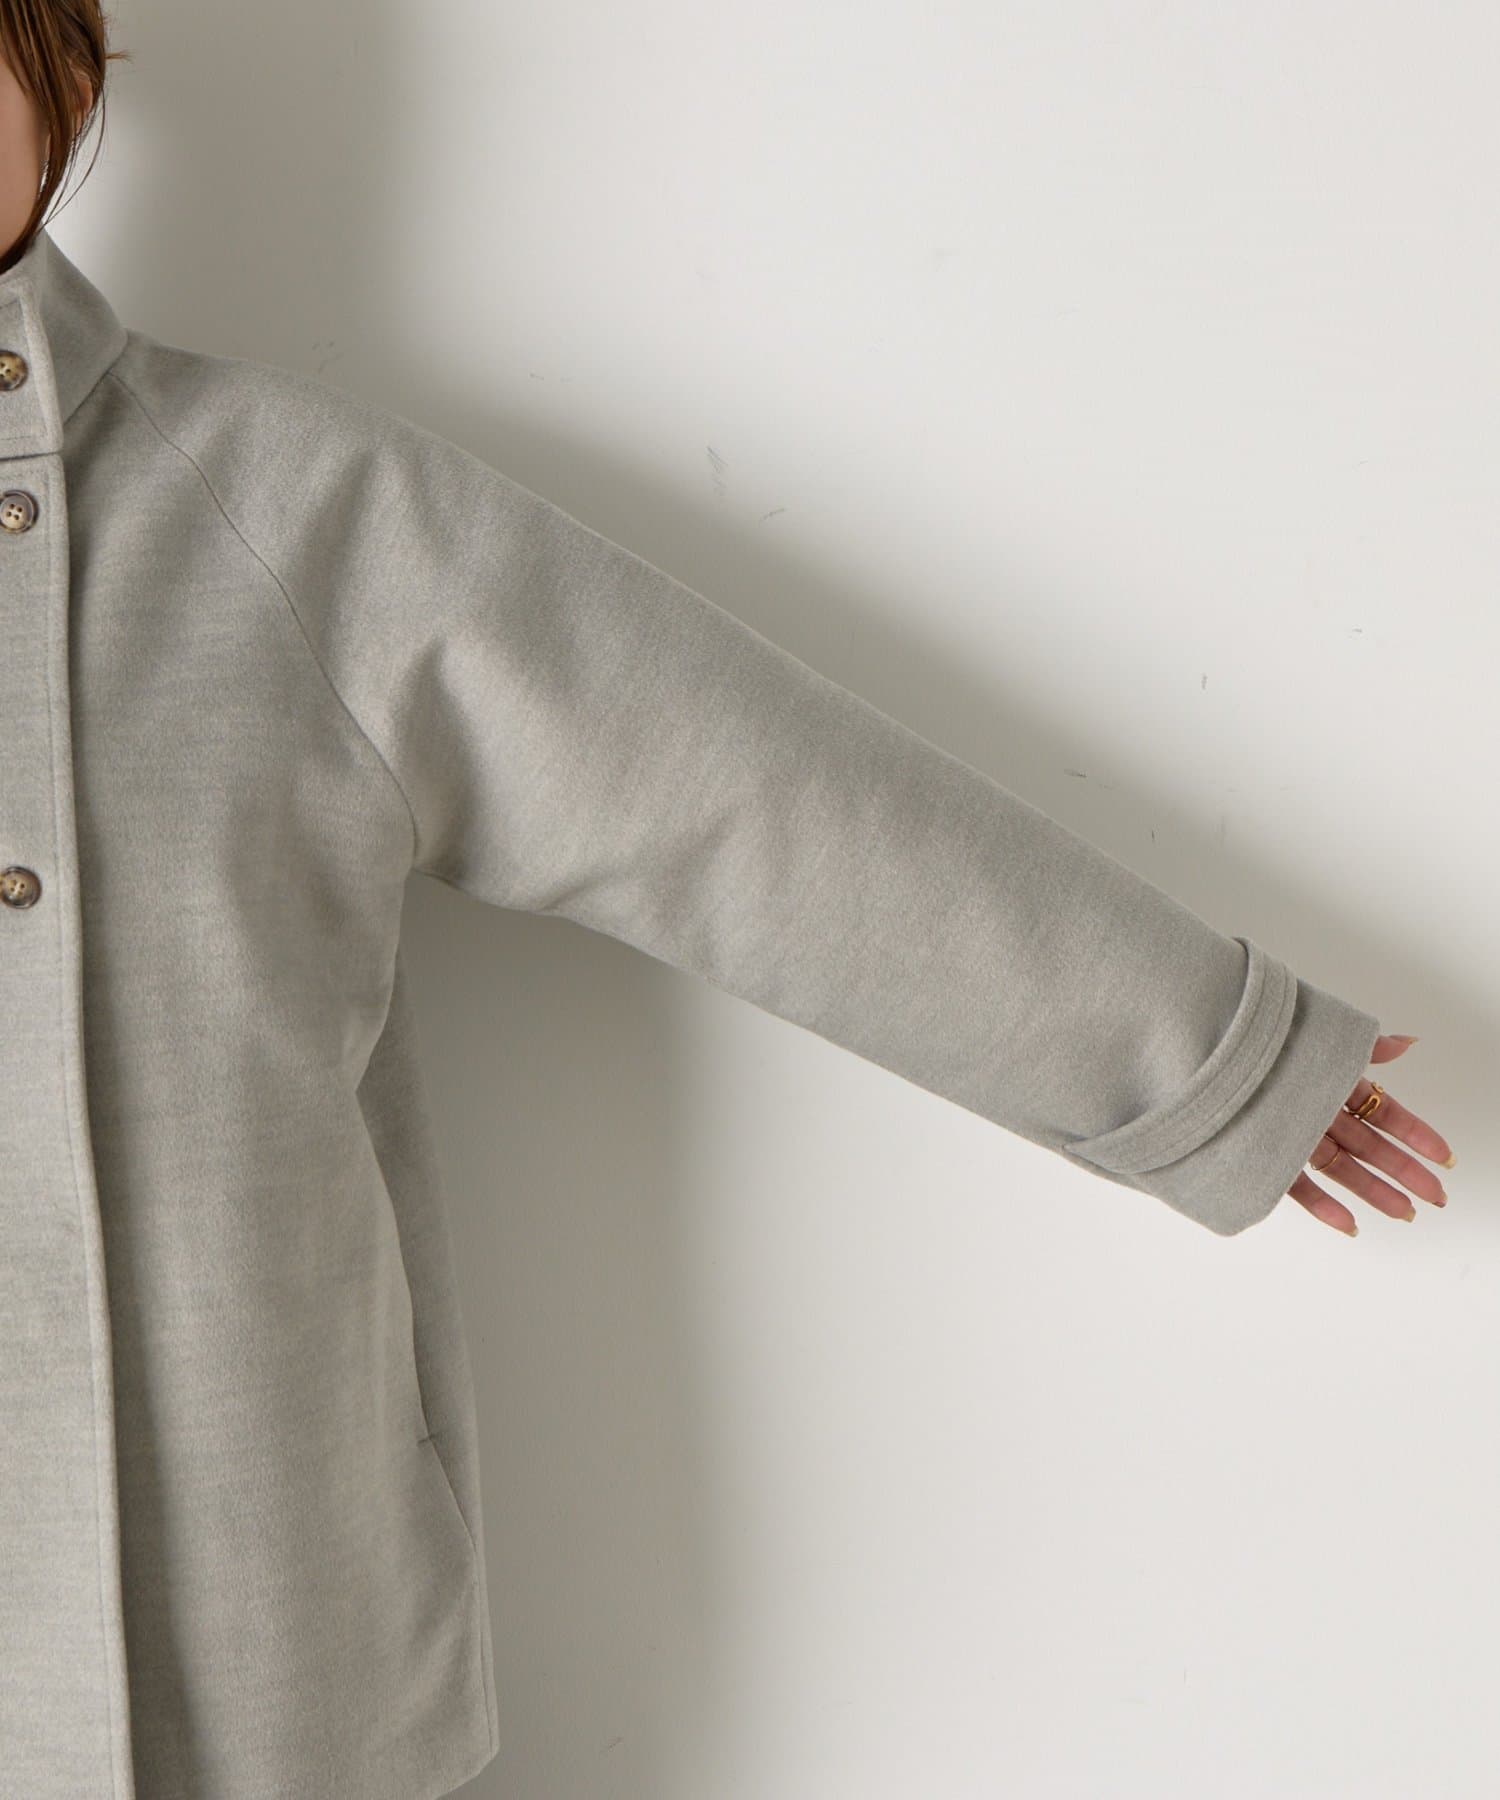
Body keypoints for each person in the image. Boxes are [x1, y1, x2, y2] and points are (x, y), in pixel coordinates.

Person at [0, 5, 1457, 1799]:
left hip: (235, 1625)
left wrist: (1203, 1055)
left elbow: (740, 797)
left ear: (57, 80)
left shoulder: (285, 511)